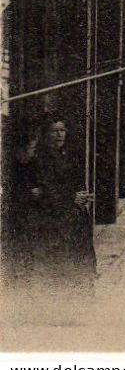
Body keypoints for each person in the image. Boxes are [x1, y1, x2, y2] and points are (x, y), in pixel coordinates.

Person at [7, 119, 96, 307]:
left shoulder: (68, 155)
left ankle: (76, 303)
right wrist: (71, 197)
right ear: (46, 134)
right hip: (52, 218)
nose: (60, 135)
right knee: (56, 261)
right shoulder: (40, 159)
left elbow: (71, 182)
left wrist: (81, 195)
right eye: (55, 131)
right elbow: (41, 190)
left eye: (63, 130)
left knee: (76, 259)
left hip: (71, 216)